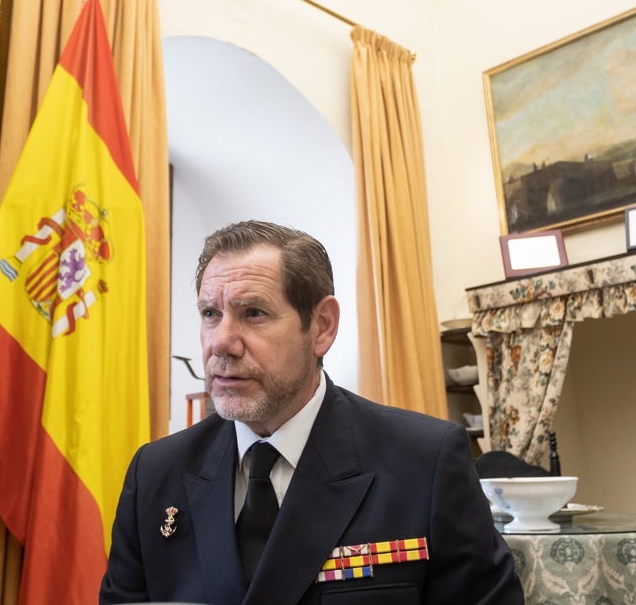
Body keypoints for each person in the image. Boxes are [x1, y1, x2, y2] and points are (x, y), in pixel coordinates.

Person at [100, 220, 523, 605]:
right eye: (211, 314)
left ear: (321, 326)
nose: (222, 342)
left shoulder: (424, 463)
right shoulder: (156, 474)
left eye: (254, 313)